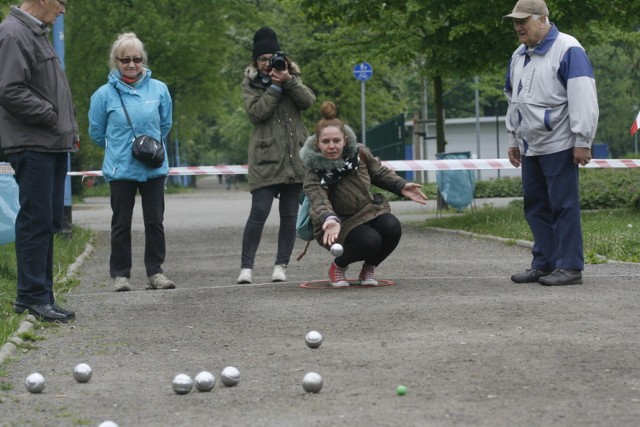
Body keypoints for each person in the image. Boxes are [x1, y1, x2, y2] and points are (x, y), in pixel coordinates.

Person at [503, 0, 598, 286]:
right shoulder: (519, 55)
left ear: (543, 20)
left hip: (560, 143)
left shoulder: (569, 49)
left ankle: (570, 267)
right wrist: (513, 138)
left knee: (563, 206)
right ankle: (544, 263)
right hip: (530, 145)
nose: (518, 26)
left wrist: (583, 140)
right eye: (515, 22)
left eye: (524, 21)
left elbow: (583, 95)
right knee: (535, 206)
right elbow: (513, 99)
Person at [0, 0, 77, 323]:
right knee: (35, 219)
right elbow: (9, 89)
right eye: (61, 2)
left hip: (50, 142)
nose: (63, 10)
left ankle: (42, 295)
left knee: (47, 220)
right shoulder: (13, 33)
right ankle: (30, 297)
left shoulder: (35, 33)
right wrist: (50, 117)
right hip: (33, 143)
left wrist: (65, 127)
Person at [300, 102, 427, 287]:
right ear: (318, 145)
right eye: (326, 142)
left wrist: (401, 185)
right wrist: (329, 219)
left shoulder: (359, 154)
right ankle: (338, 267)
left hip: (367, 212)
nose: (332, 146)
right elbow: (319, 201)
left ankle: (369, 268)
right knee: (370, 241)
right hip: (335, 223)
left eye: (336, 140)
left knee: (392, 226)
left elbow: (379, 173)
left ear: (344, 139)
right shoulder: (314, 172)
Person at [88, 32, 175, 292]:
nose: (132, 64)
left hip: (153, 167)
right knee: (121, 223)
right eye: (125, 60)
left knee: (155, 222)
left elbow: (165, 124)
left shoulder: (159, 89)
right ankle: (120, 275)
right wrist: (119, 148)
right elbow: (96, 132)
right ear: (116, 61)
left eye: (136, 59)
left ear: (142, 60)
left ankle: (155, 272)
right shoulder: (102, 95)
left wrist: (147, 149)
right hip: (120, 168)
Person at [237, 26, 316, 284]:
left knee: (290, 214)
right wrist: (273, 87)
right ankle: (246, 268)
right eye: (262, 59)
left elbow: (308, 101)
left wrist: (289, 81)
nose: (267, 63)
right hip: (266, 158)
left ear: (280, 57)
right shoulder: (250, 84)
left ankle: (281, 266)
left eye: (271, 58)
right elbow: (257, 114)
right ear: (255, 61)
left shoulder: (291, 78)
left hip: (295, 158)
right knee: (258, 211)